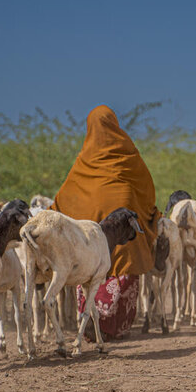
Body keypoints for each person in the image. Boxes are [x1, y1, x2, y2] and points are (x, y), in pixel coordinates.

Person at [51, 105, 161, 340]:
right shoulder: (130, 157)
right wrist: (151, 214)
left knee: (90, 269)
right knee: (124, 266)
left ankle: (90, 321)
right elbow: (147, 192)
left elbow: (65, 200)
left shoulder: (83, 163)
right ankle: (116, 327)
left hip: (90, 247)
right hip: (125, 243)